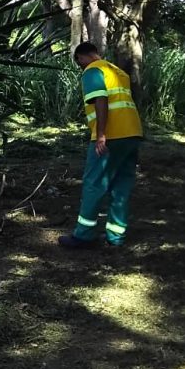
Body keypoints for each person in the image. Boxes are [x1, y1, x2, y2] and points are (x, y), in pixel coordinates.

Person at [58, 42, 143, 249]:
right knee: (121, 185)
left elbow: (101, 100)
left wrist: (101, 135)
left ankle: (84, 235)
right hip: (132, 133)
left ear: (81, 57)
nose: (80, 66)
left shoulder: (92, 71)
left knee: (94, 183)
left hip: (112, 135)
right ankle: (116, 236)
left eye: (79, 62)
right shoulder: (118, 72)